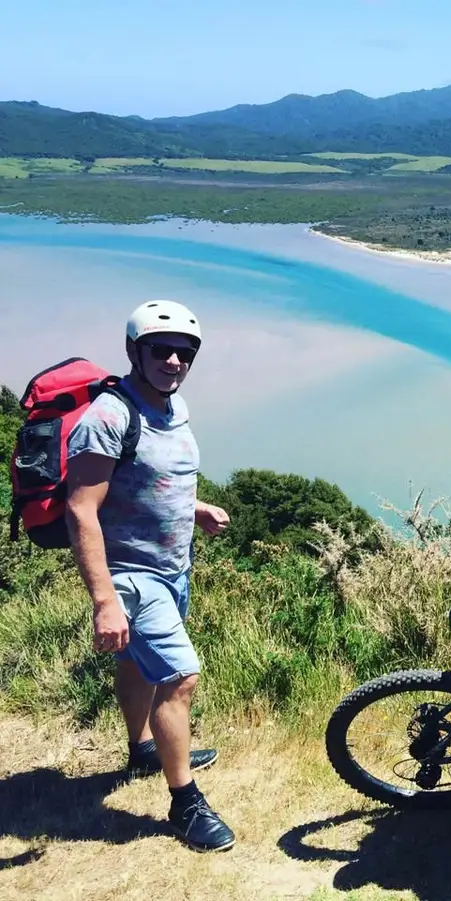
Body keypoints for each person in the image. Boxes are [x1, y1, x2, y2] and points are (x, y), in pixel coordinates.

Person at [65, 300, 236, 853]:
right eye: (160, 350)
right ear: (133, 351)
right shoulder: (110, 416)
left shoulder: (170, 407)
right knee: (180, 677)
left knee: (137, 665)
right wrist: (104, 600)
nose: (173, 360)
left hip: (173, 569)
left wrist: (196, 508)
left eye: (184, 352)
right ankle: (186, 803)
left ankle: (143, 746)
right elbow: (81, 509)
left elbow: (151, 481)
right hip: (132, 575)